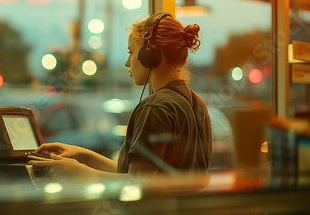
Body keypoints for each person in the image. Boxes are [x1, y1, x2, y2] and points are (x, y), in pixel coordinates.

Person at [29, 13, 212, 184]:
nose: (127, 62)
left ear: (150, 55)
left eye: (131, 52)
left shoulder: (155, 108)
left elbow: (137, 184)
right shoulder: (196, 103)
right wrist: (84, 156)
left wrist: (76, 172)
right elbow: (138, 172)